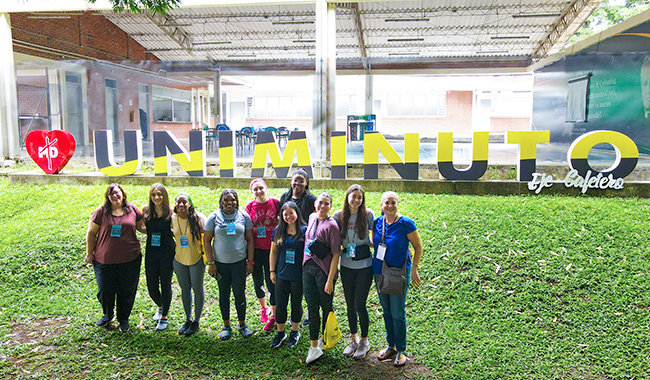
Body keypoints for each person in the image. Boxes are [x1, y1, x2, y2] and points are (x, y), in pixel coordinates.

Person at [85, 183, 145, 332]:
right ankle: (108, 315)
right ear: (107, 197)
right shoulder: (101, 212)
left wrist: (162, 229)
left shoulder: (132, 210)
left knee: (127, 290)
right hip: (104, 260)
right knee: (105, 290)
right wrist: (89, 253)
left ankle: (123, 318)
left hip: (130, 260)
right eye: (111, 194)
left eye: (117, 193)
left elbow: (142, 227)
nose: (115, 196)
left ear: (123, 194)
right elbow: (91, 233)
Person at [373, 191, 423, 367]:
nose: (390, 206)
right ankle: (391, 346)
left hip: (398, 273)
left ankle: (401, 350)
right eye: (387, 202)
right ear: (381, 205)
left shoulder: (405, 223)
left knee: (397, 312)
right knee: (386, 311)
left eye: (393, 202)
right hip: (379, 272)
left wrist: (415, 269)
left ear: (397, 204)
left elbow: (418, 247)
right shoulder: (378, 222)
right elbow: (374, 242)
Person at [204, 189, 255, 340]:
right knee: (223, 294)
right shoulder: (213, 217)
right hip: (220, 265)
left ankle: (242, 324)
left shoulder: (244, 216)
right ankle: (226, 326)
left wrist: (250, 262)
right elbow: (206, 241)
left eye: (232, 200)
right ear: (221, 202)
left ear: (236, 201)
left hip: (239, 263)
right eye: (226, 200)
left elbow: (250, 239)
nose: (229, 203)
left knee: (240, 294)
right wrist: (211, 262)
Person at [332, 184, 374, 359]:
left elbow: (375, 236)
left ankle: (365, 341)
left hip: (364, 266)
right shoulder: (338, 216)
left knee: (360, 304)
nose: (356, 200)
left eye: (359, 197)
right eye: (353, 196)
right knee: (349, 304)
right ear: (347, 197)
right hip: (346, 266)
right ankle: (354, 339)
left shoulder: (368, 215)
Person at [303, 192, 341, 364]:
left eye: (326, 203)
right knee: (312, 307)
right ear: (315, 204)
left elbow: (335, 254)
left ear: (330, 206)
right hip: (307, 268)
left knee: (326, 306)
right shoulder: (311, 218)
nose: (322, 206)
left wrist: (330, 280)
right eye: (320, 203)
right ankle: (313, 346)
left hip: (324, 271)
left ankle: (327, 338)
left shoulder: (332, 226)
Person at [279, 168, 316, 328]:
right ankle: (293, 313)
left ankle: (308, 313)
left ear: (306, 183)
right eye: (296, 180)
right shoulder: (285, 197)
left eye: (302, 180)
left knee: (306, 281)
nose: (298, 183)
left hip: (305, 244)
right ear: (291, 181)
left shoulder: (311, 200)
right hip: (288, 244)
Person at [269, 202, 307, 348]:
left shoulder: (305, 230)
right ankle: (280, 333)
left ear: (297, 213)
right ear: (281, 216)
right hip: (282, 274)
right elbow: (273, 252)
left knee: (296, 304)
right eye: (285, 214)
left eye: (291, 213)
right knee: (280, 304)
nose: (289, 216)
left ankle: (294, 332)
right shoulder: (278, 230)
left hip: (298, 275)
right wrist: (272, 271)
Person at [245, 179, 280, 332]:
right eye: (255, 189)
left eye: (261, 188)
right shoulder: (249, 207)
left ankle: (274, 310)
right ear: (252, 192)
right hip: (256, 250)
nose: (259, 191)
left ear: (266, 188)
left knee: (272, 281)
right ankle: (263, 308)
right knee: (257, 280)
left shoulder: (276, 203)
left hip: (272, 250)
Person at [171, 192, 206, 336]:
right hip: (179, 259)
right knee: (185, 290)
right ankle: (188, 318)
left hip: (196, 258)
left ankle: (196, 321)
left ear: (190, 204)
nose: (181, 205)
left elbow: (207, 237)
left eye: (184, 202)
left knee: (197, 289)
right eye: (178, 202)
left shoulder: (199, 218)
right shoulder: (172, 218)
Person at [142, 183, 175, 331]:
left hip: (167, 251)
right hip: (151, 251)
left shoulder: (171, 211)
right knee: (151, 286)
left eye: (159, 194)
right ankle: (161, 306)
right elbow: (141, 227)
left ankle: (164, 317)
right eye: (154, 194)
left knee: (166, 283)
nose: (156, 197)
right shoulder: (146, 210)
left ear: (164, 195)